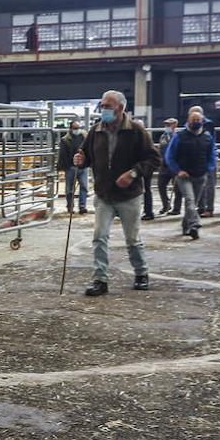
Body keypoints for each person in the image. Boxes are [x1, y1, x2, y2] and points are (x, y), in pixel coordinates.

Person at [72, 90, 160, 296]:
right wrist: (80, 160)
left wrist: (133, 173)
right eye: (102, 106)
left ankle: (141, 273)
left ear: (120, 108)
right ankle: (100, 279)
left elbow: (154, 160)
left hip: (129, 195)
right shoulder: (96, 130)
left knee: (132, 238)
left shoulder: (137, 130)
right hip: (104, 194)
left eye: (107, 107)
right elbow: (85, 155)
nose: (103, 110)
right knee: (99, 236)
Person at [165, 109, 216, 240]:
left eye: (198, 120)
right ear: (188, 121)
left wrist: (208, 169)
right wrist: (178, 170)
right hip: (184, 175)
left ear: (202, 121)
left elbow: (212, 155)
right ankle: (195, 224)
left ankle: (185, 227)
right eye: (194, 120)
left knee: (193, 203)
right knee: (190, 200)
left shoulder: (207, 137)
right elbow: (170, 156)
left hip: (200, 175)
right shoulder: (179, 136)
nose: (196, 122)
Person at [57, 120, 88, 215]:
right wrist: (62, 168)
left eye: (78, 128)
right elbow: (62, 155)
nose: (77, 130)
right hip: (70, 167)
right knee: (70, 189)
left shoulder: (84, 137)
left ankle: (82, 206)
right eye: (75, 128)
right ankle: (70, 206)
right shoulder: (65, 140)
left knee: (84, 186)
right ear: (70, 128)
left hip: (83, 166)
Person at [156, 118, 179, 215]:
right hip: (164, 165)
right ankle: (166, 205)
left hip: (175, 165)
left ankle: (176, 208)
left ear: (175, 125)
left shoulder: (178, 136)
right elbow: (160, 150)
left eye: (169, 125)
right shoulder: (163, 137)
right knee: (161, 185)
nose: (166, 127)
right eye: (166, 125)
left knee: (178, 188)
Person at [134, 118, 156, 220]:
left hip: (144, 166)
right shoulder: (144, 136)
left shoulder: (144, 137)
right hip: (139, 166)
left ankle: (148, 212)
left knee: (146, 189)